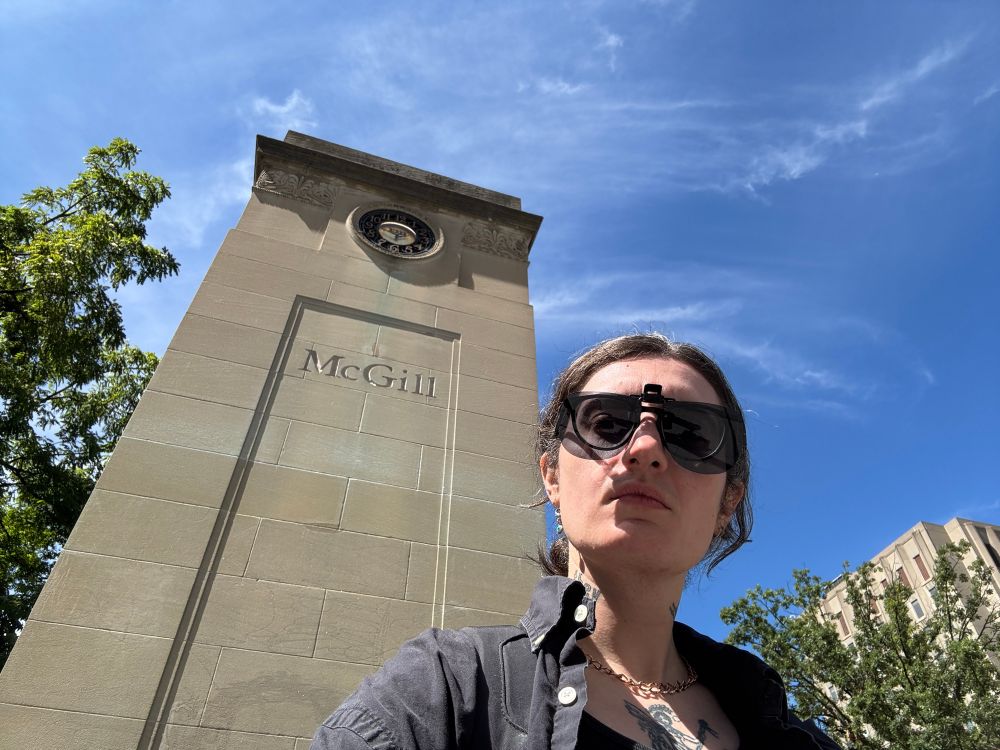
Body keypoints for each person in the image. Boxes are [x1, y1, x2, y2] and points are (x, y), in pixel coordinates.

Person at [310, 333, 841, 749]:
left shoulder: (792, 734)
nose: (645, 448)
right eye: (606, 423)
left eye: (689, 433)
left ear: (728, 502)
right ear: (553, 477)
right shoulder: (445, 688)